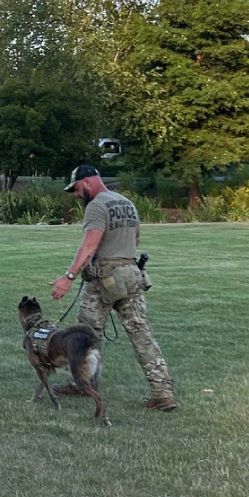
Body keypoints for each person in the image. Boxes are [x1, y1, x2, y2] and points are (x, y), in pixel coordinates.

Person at [50, 164, 177, 412]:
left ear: (86, 182)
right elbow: (136, 238)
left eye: (76, 189)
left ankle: (83, 384)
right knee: (142, 336)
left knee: (85, 334)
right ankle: (163, 394)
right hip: (132, 275)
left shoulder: (96, 205)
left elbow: (90, 244)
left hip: (104, 279)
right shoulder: (126, 202)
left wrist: (68, 277)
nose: (76, 195)